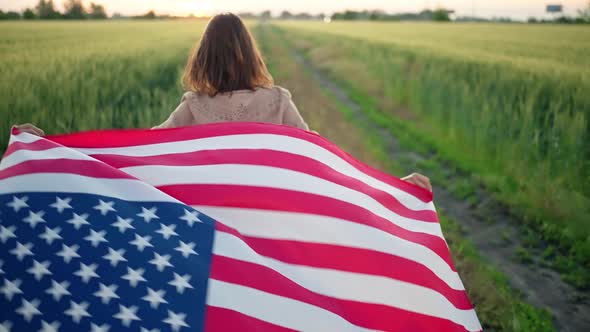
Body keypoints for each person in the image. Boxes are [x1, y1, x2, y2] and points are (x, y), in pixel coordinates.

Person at [12, 13, 431, 191]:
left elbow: (140, 148)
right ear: (251, 55)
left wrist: (50, 146)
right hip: (272, 212)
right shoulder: (277, 100)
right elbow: (319, 156)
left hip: (216, 216)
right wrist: (391, 186)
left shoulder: (194, 106)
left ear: (204, 58)